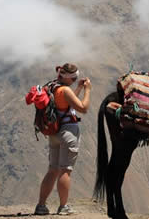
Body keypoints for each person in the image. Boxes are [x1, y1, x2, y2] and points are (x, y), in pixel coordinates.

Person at [34, 63, 92, 216]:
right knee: (65, 170)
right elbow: (83, 108)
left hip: (54, 133)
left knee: (52, 170)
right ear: (70, 78)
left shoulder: (52, 86)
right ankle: (63, 206)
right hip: (67, 133)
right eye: (74, 78)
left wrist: (77, 89)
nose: (75, 80)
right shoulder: (65, 90)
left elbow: (66, 104)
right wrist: (87, 91)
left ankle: (41, 205)